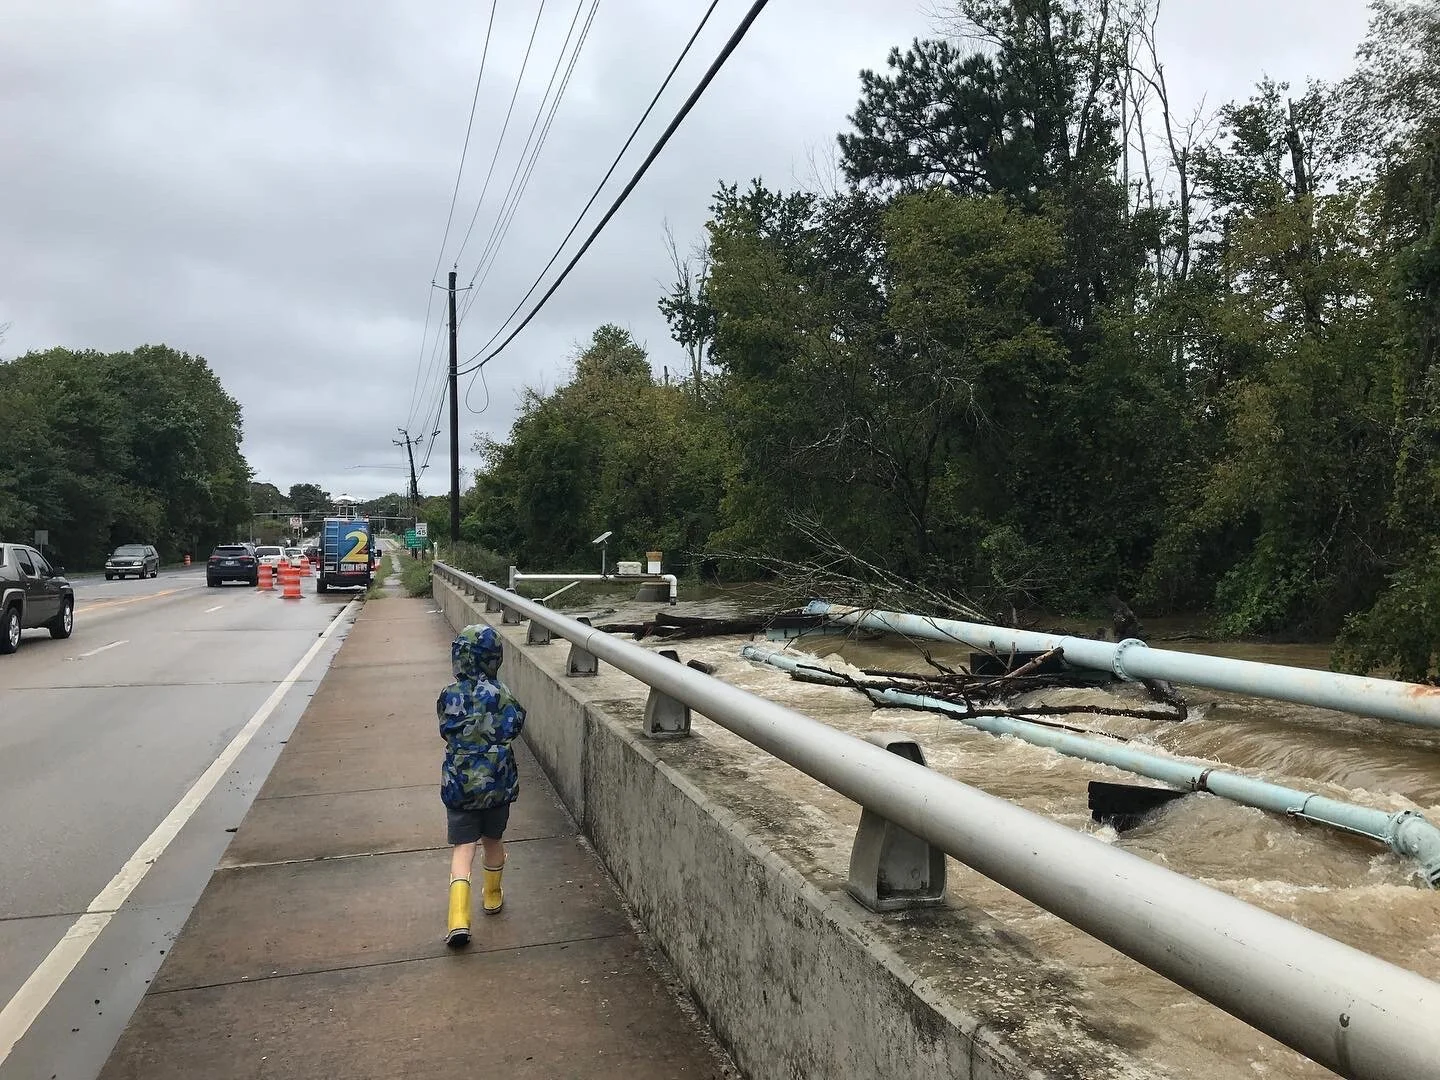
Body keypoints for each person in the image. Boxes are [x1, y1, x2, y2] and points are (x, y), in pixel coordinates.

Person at [438, 624, 526, 948]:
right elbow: (516, 723)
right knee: (493, 840)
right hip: (497, 784)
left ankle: (458, 919)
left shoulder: (449, 695)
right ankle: (491, 895)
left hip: (460, 786)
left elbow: (445, 729)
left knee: (463, 849)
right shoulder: (503, 694)